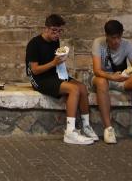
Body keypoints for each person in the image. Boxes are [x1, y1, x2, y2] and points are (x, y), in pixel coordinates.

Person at [26, 14, 97, 145]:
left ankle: (86, 126)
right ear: (46, 28)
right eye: (54, 30)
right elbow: (34, 70)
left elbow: (55, 62)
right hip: (39, 79)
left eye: (60, 31)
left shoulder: (55, 41)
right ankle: (70, 132)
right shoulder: (34, 44)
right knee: (74, 89)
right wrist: (54, 63)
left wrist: (61, 60)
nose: (57, 34)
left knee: (82, 87)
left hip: (54, 75)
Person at [91, 19, 132, 145]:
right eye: (113, 38)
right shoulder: (98, 43)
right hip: (103, 77)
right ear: (106, 36)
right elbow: (97, 70)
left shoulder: (127, 45)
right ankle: (108, 128)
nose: (116, 41)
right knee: (102, 82)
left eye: (119, 37)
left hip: (122, 77)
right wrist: (112, 77)